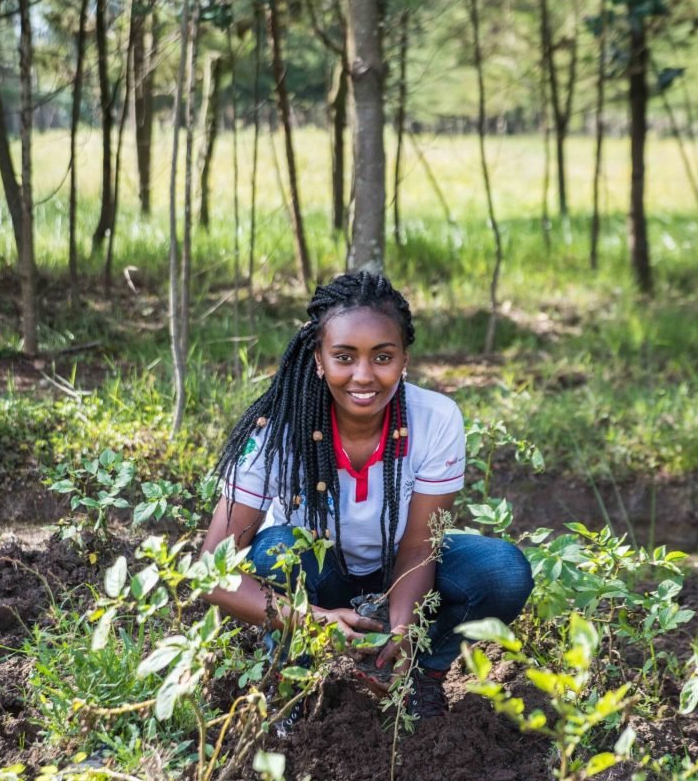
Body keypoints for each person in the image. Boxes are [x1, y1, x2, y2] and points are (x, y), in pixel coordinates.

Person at [200, 271, 533, 725]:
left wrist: (402, 633)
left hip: (399, 569)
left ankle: (421, 674)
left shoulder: (435, 419)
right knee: (276, 551)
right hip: (314, 579)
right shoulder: (274, 431)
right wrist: (310, 619)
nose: (363, 375)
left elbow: (419, 546)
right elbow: (211, 573)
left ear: (404, 359)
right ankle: (292, 679)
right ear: (318, 358)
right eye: (344, 356)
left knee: (503, 571)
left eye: (382, 357)